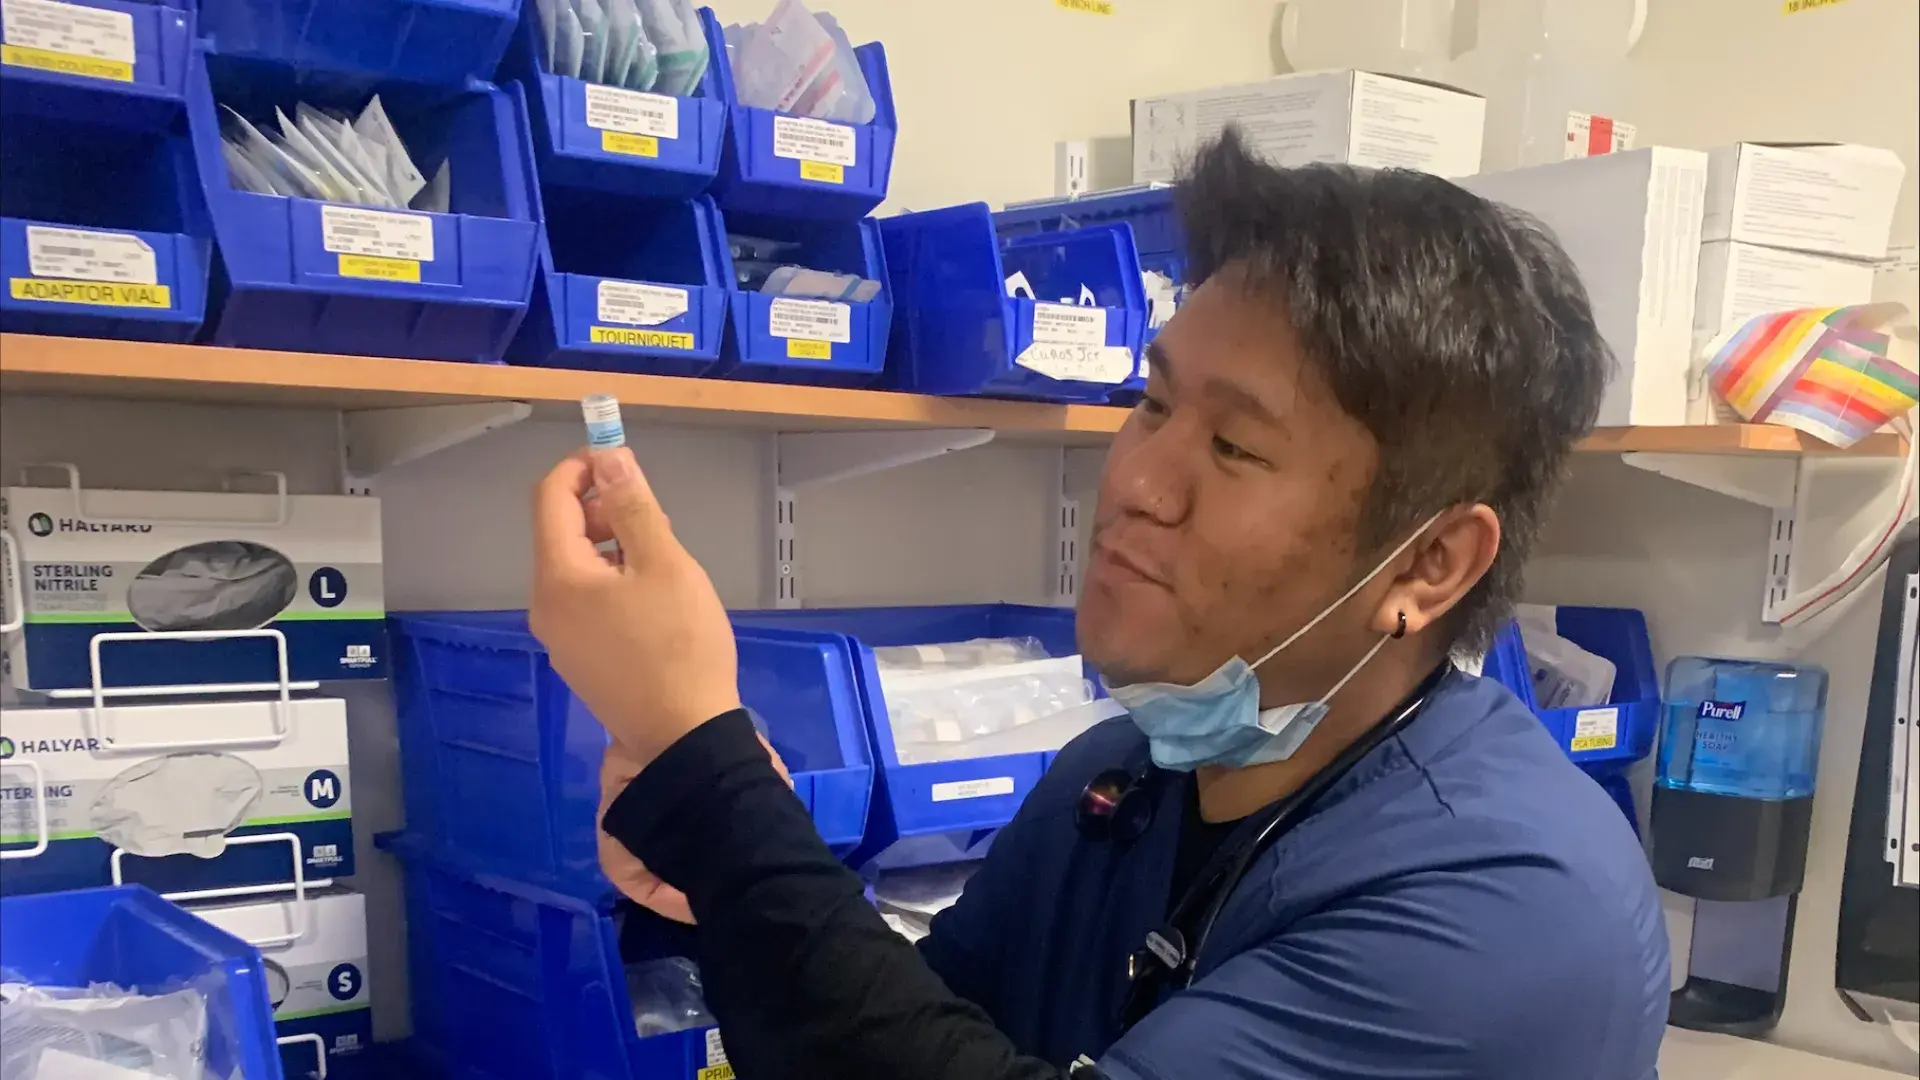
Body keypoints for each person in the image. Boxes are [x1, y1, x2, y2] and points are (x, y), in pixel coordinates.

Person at [530, 129, 1671, 1079]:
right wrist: (713, 865)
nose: (1136, 482)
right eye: (1149, 404)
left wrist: (714, 782)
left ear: (1428, 566)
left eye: (1230, 444)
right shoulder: (1117, 786)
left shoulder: (1507, 910)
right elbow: (913, 1036)